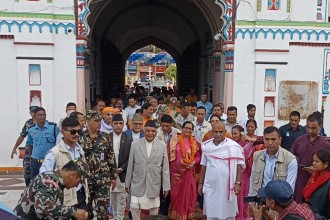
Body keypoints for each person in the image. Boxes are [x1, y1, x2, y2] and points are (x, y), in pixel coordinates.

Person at [39, 117, 90, 217]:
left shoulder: (80, 150)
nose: (76, 134)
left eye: (78, 131)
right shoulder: (54, 153)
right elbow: (43, 177)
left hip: (81, 194)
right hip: (65, 199)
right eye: (72, 132)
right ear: (62, 132)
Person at [14, 159, 90, 220]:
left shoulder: (57, 182)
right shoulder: (49, 180)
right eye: (79, 181)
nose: (77, 185)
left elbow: (52, 212)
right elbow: (42, 207)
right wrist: (74, 212)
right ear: (72, 174)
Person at [198, 121, 245, 220]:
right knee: (212, 211)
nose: (218, 134)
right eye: (216, 132)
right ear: (211, 132)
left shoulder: (232, 146)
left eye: (221, 132)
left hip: (228, 186)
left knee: (227, 213)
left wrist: (238, 183)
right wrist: (201, 183)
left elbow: (238, 166)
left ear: (225, 132)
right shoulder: (207, 147)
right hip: (211, 185)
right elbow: (203, 165)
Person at [125, 120, 171, 220]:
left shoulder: (162, 145)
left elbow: (165, 168)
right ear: (144, 131)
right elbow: (130, 165)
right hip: (137, 182)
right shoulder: (135, 144)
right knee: (134, 207)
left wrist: (166, 186)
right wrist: (127, 184)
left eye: (153, 131)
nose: (150, 133)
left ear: (156, 132)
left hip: (153, 183)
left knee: (154, 209)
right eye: (148, 131)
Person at [79, 110, 117, 220]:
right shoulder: (80, 137)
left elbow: (111, 157)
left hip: (103, 179)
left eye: (100, 121)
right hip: (86, 180)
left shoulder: (106, 137)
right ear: (88, 121)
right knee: (86, 210)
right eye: (96, 121)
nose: (99, 123)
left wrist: (113, 176)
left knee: (103, 211)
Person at [291, 113, 330, 202]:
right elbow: (291, 158)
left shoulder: (325, 145)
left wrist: (317, 169)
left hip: (317, 179)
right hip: (299, 177)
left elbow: (328, 165)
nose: (310, 130)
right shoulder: (299, 140)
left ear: (320, 126)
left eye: (313, 128)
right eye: (308, 127)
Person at [249, 126, 298, 197]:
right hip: (259, 202)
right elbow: (253, 179)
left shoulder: (290, 160)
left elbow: (289, 188)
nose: (270, 142)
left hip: (278, 204)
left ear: (280, 140)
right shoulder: (257, 156)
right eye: (267, 139)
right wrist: (251, 200)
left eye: (273, 139)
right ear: (263, 140)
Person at [168, 121, 201, 219]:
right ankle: (175, 216)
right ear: (182, 128)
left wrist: (193, 162)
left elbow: (198, 157)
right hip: (176, 175)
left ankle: (186, 216)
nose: (188, 130)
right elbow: (169, 156)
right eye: (186, 128)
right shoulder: (174, 140)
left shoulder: (194, 142)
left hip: (188, 173)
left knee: (189, 196)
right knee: (175, 196)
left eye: (190, 129)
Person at [231, 124, 263, 220]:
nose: (234, 136)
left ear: (241, 134)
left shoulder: (248, 143)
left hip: (245, 173)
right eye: (232, 134)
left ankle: (245, 216)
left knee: (245, 196)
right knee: (236, 197)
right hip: (234, 173)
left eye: (236, 134)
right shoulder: (231, 144)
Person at [251, 180, 316, 220]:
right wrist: (264, 212)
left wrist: (257, 217)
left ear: (272, 202)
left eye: (266, 198)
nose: (265, 200)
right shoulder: (303, 207)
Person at [109, 114, 133, 220]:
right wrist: (111, 170)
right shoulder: (106, 137)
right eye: (116, 123)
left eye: (120, 123)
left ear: (123, 125)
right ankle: (114, 217)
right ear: (111, 124)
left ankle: (119, 218)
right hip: (110, 174)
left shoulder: (128, 138)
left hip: (123, 173)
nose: (118, 126)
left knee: (122, 199)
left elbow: (131, 157)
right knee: (112, 199)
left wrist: (122, 168)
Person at [27, 107, 60, 180]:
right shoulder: (31, 130)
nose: (42, 117)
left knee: (50, 182)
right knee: (34, 183)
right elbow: (30, 144)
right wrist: (30, 157)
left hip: (50, 161)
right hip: (36, 161)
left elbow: (59, 142)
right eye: (39, 115)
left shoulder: (53, 127)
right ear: (35, 116)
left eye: (43, 115)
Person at [11, 106, 37, 186]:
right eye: (32, 112)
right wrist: (14, 148)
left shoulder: (44, 123)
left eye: (35, 111)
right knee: (27, 172)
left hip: (39, 151)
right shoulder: (28, 123)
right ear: (30, 113)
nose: (34, 113)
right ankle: (28, 191)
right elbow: (22, 136)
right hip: (28, 152)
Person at [302, 148, 330, 218]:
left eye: (316, 161)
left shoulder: (328, 180)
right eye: (313, 160)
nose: (313, 163)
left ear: (326, 164)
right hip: (310, 213)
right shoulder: (315, 175)